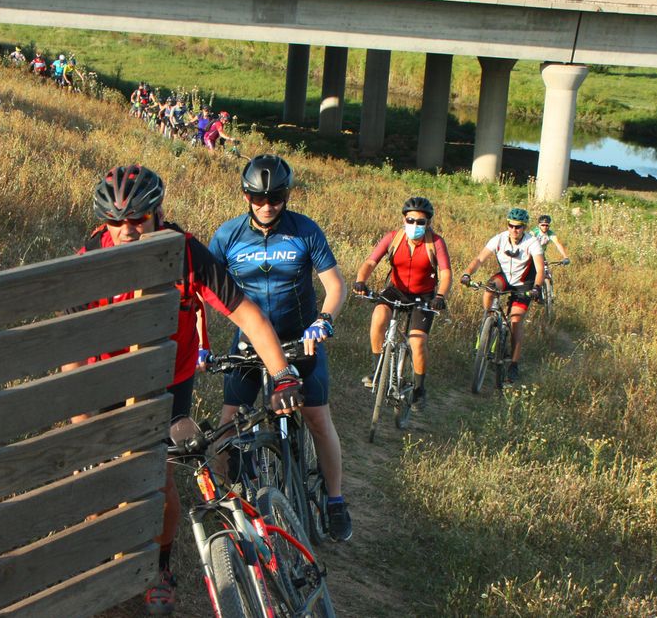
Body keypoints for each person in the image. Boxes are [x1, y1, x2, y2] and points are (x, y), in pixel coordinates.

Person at [64, 165, 304, 616]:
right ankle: (96, 565)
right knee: (96, 480)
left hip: (167, 382)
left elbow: (247, 314)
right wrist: (80, 420)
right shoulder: (94, 252)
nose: (126, 231)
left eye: (136, 220)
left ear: (157, 213)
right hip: (107, 378)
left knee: (161, 478)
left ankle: (160, 565)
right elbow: (75, 342)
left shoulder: (189, 254)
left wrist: (283, 373)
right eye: (116, 222)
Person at [207, 155, 353, 542]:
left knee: (318, 420)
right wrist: (200, 345)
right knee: (226, 428)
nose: (267, 206)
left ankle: (335, 500)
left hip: (301, 341)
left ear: (286, 196)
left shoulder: (304, 230)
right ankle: (229, 507)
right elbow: (203, 295)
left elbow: (335, 285)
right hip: (248, 344)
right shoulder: (227, 237)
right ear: (245, 196)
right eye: (258, 198)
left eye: (275, 198)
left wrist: (324, 320)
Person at [352, 196, 451, 411]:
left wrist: (440, 296)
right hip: (395, 290)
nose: (415, 225)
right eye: (411, 220)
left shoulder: (436, 243)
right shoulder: (393, 238)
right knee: (378, 317)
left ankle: (419, 389)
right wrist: (361, 280)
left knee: (417, 342)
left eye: (421, 222)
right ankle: (379, 368)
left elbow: (445, 272)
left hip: (424, 296)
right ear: (404, 219)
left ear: (428, 223)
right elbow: (371, 261)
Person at [457, 207, 544, 383]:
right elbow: (480, 259)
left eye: (518, 227)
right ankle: (488, 323)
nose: (514, 230)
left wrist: (536, 287)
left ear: (525, 227)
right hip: (505, 277)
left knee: (516, 320)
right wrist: (467, 274)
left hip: (524, 282)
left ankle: (513, 363)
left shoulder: (532, 242)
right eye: (511, 225)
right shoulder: (499, 238)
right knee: (490, 289)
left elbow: (540, 268)